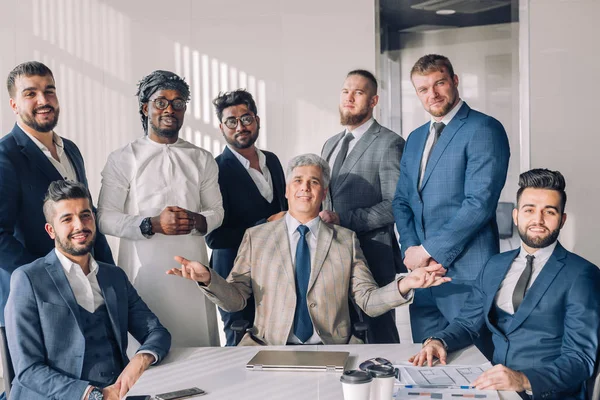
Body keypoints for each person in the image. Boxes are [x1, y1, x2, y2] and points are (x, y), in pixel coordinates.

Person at [168, 154, 450, 346]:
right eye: (298, 181)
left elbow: (367, 301)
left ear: (323, 194)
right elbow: (236, 300)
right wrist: (208, 278)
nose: (305, 187)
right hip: (269, 349)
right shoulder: (256, 238)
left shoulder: (346, 241)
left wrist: (405, 284)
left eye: (314, 182)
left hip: (332, 351)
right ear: (287, 192)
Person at [409, 169, 600, 400]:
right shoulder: (494, 265)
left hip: (547, 393)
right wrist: (439, 341)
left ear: (562, 219)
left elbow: (580, 359)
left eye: (549, 212)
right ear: (516, 216)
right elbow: (467, 323)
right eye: (530, 210)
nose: (538, 220)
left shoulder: (582, 274)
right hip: (494, 387)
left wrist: (523, 379)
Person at [5, 180, 170, 400]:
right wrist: (94, 395)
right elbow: (28, 369)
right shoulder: (28, 279)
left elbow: (156, 332)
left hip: (118, 393)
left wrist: (140, 360)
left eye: (85, 215)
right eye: (67, 219)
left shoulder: (114, 277)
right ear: (50, 230)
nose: (79, 226)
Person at [392, 54, 510, 356]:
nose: (432, 94)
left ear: (454, 81)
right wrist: (412, 251)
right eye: (422, 89)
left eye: (439, 83)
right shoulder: (416, 138)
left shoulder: (484, 128)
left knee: (474, 366)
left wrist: (429, 251)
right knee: (426, 367)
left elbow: (479, 204)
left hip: (466, 276)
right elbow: (403, 202)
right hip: (423, 280)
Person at [97, 70, 224, 346]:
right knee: (146, 357)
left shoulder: (201, 158)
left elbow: (216, 212)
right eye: (161, 102)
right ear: (146, 108)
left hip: (191, 277)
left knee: (200, 356)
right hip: (143, 279)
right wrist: (152, 224)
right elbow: (105, 218)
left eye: (178, 103)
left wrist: (196, 220)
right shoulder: (123, 158)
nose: (170, 109)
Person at [0, 61, 114, 326]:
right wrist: (48, 279)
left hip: (89, 297)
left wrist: (111, 277)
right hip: (35, 304)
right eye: (30, 93)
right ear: (14, 105)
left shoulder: (71, 150)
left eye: (49, 91)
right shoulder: (5, 157)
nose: (43, 100)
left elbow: (89, 217)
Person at [320, 69, 405, 344]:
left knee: (380, 333)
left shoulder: (390, 143)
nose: (349, 98)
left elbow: (395, 205)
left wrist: (343, 219)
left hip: (373, 253)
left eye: (359, 92)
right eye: (345, 91)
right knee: (342, 331)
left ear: (373, 101)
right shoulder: (330, 144)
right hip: (332, 254)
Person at [206, 89, 288, 346]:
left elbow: (284, 211)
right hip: (232, 272)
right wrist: (264, 226)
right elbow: (214, 237)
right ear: (221, 127)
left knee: (273, 338)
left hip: (274, 269)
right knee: (239, 341)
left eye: (246, 118)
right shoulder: (216, 169)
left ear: (257, 121)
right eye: (232, 121)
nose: (240, 126)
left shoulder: (272, 161)